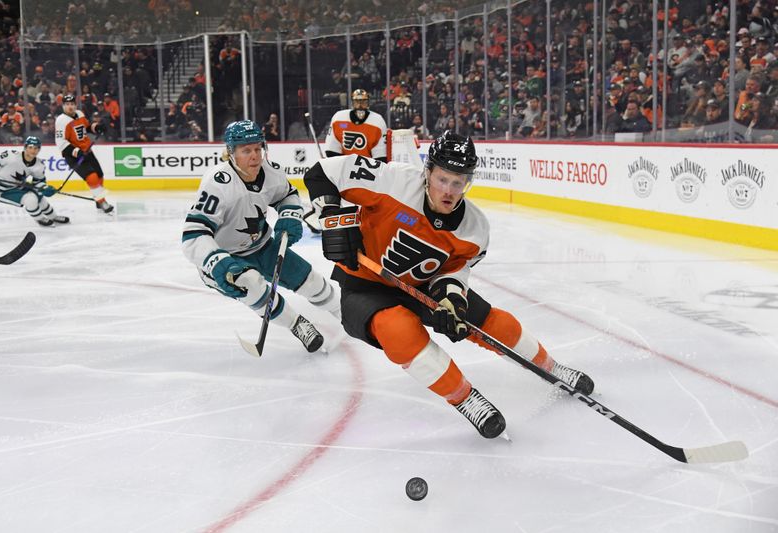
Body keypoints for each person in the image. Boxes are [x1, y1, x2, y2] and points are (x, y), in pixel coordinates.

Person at [303, 131, 594, 439]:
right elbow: (322, 173)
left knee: (489, 321)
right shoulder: (392, 181)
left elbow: (455, 272)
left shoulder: (475, 229)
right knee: (398, 329)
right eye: (442, 179)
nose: (449, 191)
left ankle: (551, 368)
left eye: (459, 183)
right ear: (427, 172)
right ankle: (465, 398)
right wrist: (335, 219)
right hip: (364, 282)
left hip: (423, 283)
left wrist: (451, 301)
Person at [182, 120, 341, 353]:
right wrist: (219, 262)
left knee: (311, 280)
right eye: (246, 151)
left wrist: (289, 216)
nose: (255, 156)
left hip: (263, 245)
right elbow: (193, 235)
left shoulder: (271, 171)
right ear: (231, 153)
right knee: (251, 284)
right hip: (228, 258)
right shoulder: (218, 183)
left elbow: (287, 195)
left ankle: (343, 312)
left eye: (257, 148)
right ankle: (297, 324)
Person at [0, 136, 69, 227]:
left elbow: (38, 182)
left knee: (39, 195)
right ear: (25, 147)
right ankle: (39, 218)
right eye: (30, 147)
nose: (33, 150)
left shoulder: (39, 165)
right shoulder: (11, 156)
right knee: (30, 199)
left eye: (36, 148)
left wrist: (44, 188)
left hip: (18, 187)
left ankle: (53, 216)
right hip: (3, 190)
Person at [55, 94, 114, 213]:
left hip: (87, 151)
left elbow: (86, 127)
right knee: (91, 177)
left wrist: (96, 127)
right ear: (63, 106)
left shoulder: (80, 114)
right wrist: (77, 152)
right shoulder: (61, 121)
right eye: (67, 105)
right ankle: (102, 202)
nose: (70, 107)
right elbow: (60, 142)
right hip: (73, 155)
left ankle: (98, 200)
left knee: (99, 175)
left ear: (75, 105)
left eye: (72, 104)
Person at [323, 89, 387, 161]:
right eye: (357, 102)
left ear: (368, 103)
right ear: (352, 103)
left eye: (363, 102)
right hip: (344, 166)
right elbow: (332, 151)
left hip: (367, 169)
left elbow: (380, 157)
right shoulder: (338, 119)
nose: (360, 105)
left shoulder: (377, 121)